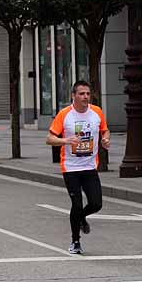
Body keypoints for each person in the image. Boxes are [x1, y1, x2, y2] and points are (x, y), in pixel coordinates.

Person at [46, 80, 110, 255]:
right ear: (73, 96)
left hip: (90, 167)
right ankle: (75, 241)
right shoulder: (65, 115)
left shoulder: (96, 112)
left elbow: (105, 130)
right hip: (71, 168)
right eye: (81, 94)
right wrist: (66, 140)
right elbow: (49, 138)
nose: (85, 97)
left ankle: (81, 217)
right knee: (76, 203)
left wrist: (105, 139)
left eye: (88, 94)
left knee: (96, 204)